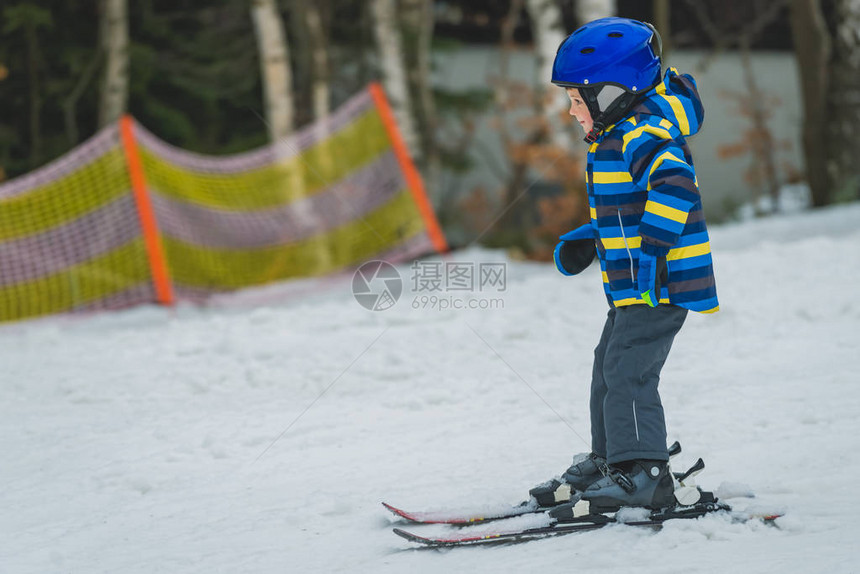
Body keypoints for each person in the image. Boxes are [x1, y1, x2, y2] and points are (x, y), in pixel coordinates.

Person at [534, 17, 720, 519]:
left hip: (659, 282)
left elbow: (676, 185)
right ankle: (611, 459)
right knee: (608, 367)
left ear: (615, 93)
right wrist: (589, 239)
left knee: (629, 371)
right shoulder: (618, 134)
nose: (572, 112)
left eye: (578, 100)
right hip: (633, 284)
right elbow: (626, 209)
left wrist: (653, 247)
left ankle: (645, 473)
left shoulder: (642, 133)